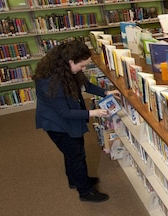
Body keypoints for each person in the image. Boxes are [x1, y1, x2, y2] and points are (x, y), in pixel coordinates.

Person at [34, 40, 118, 202]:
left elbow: (85, 85)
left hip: (67, 119)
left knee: (72, 154)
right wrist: (93, 112)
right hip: (57, 124)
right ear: (70, 61)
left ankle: (76, 179)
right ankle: (85, 191)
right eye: (82, 66)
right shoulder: (50, 82)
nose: (84, 69)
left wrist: (106, 92)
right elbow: (65, 112)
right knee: (76, 155)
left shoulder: (67, 69)